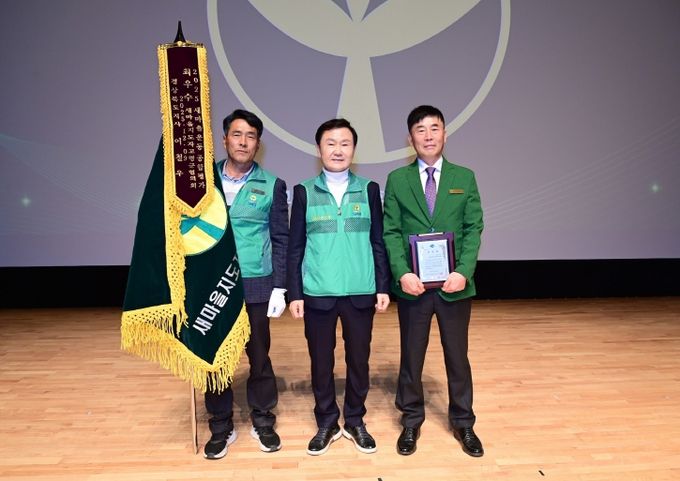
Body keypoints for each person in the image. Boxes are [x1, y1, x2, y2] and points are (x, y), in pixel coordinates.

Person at [382, 105, 484, 457]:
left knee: (457, 356)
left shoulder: (464, 177)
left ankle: (464, 422)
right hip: (414, 287)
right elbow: (391, 230)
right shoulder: (398, 179)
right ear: (410, 138)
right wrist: (402, 273)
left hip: (454, 286)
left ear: (445, 133)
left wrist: (463, 271)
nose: (428, 135)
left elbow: (473, 228)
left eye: (434, 128)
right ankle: (411, 420)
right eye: (420, 130)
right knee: (412, 356)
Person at [287, 118, 391, 456]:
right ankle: (327, 422)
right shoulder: (303, 191)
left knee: (359, 360)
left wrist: (382, 285)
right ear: (319, 149)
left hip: (361, 291)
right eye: (330, 143)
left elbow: (378, 241)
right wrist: (295, 293)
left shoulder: (369, 189)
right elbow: (295, 246)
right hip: (318, 293)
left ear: (354, 149)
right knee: (321, 362)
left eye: (345, 143)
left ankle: (355, 420)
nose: (338, 150)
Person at [203, 109, 289, 460]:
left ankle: (263, 419)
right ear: (225, 139)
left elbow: (281, 239)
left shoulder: (272, 184)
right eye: (237, 135)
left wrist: (280, 286)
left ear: (258, 143)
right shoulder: (202, 182)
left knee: (259, 355)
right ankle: (220, 424)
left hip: (256, 282)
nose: (243, 142)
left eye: (250, 136)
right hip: (211, 283)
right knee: (214, 357)